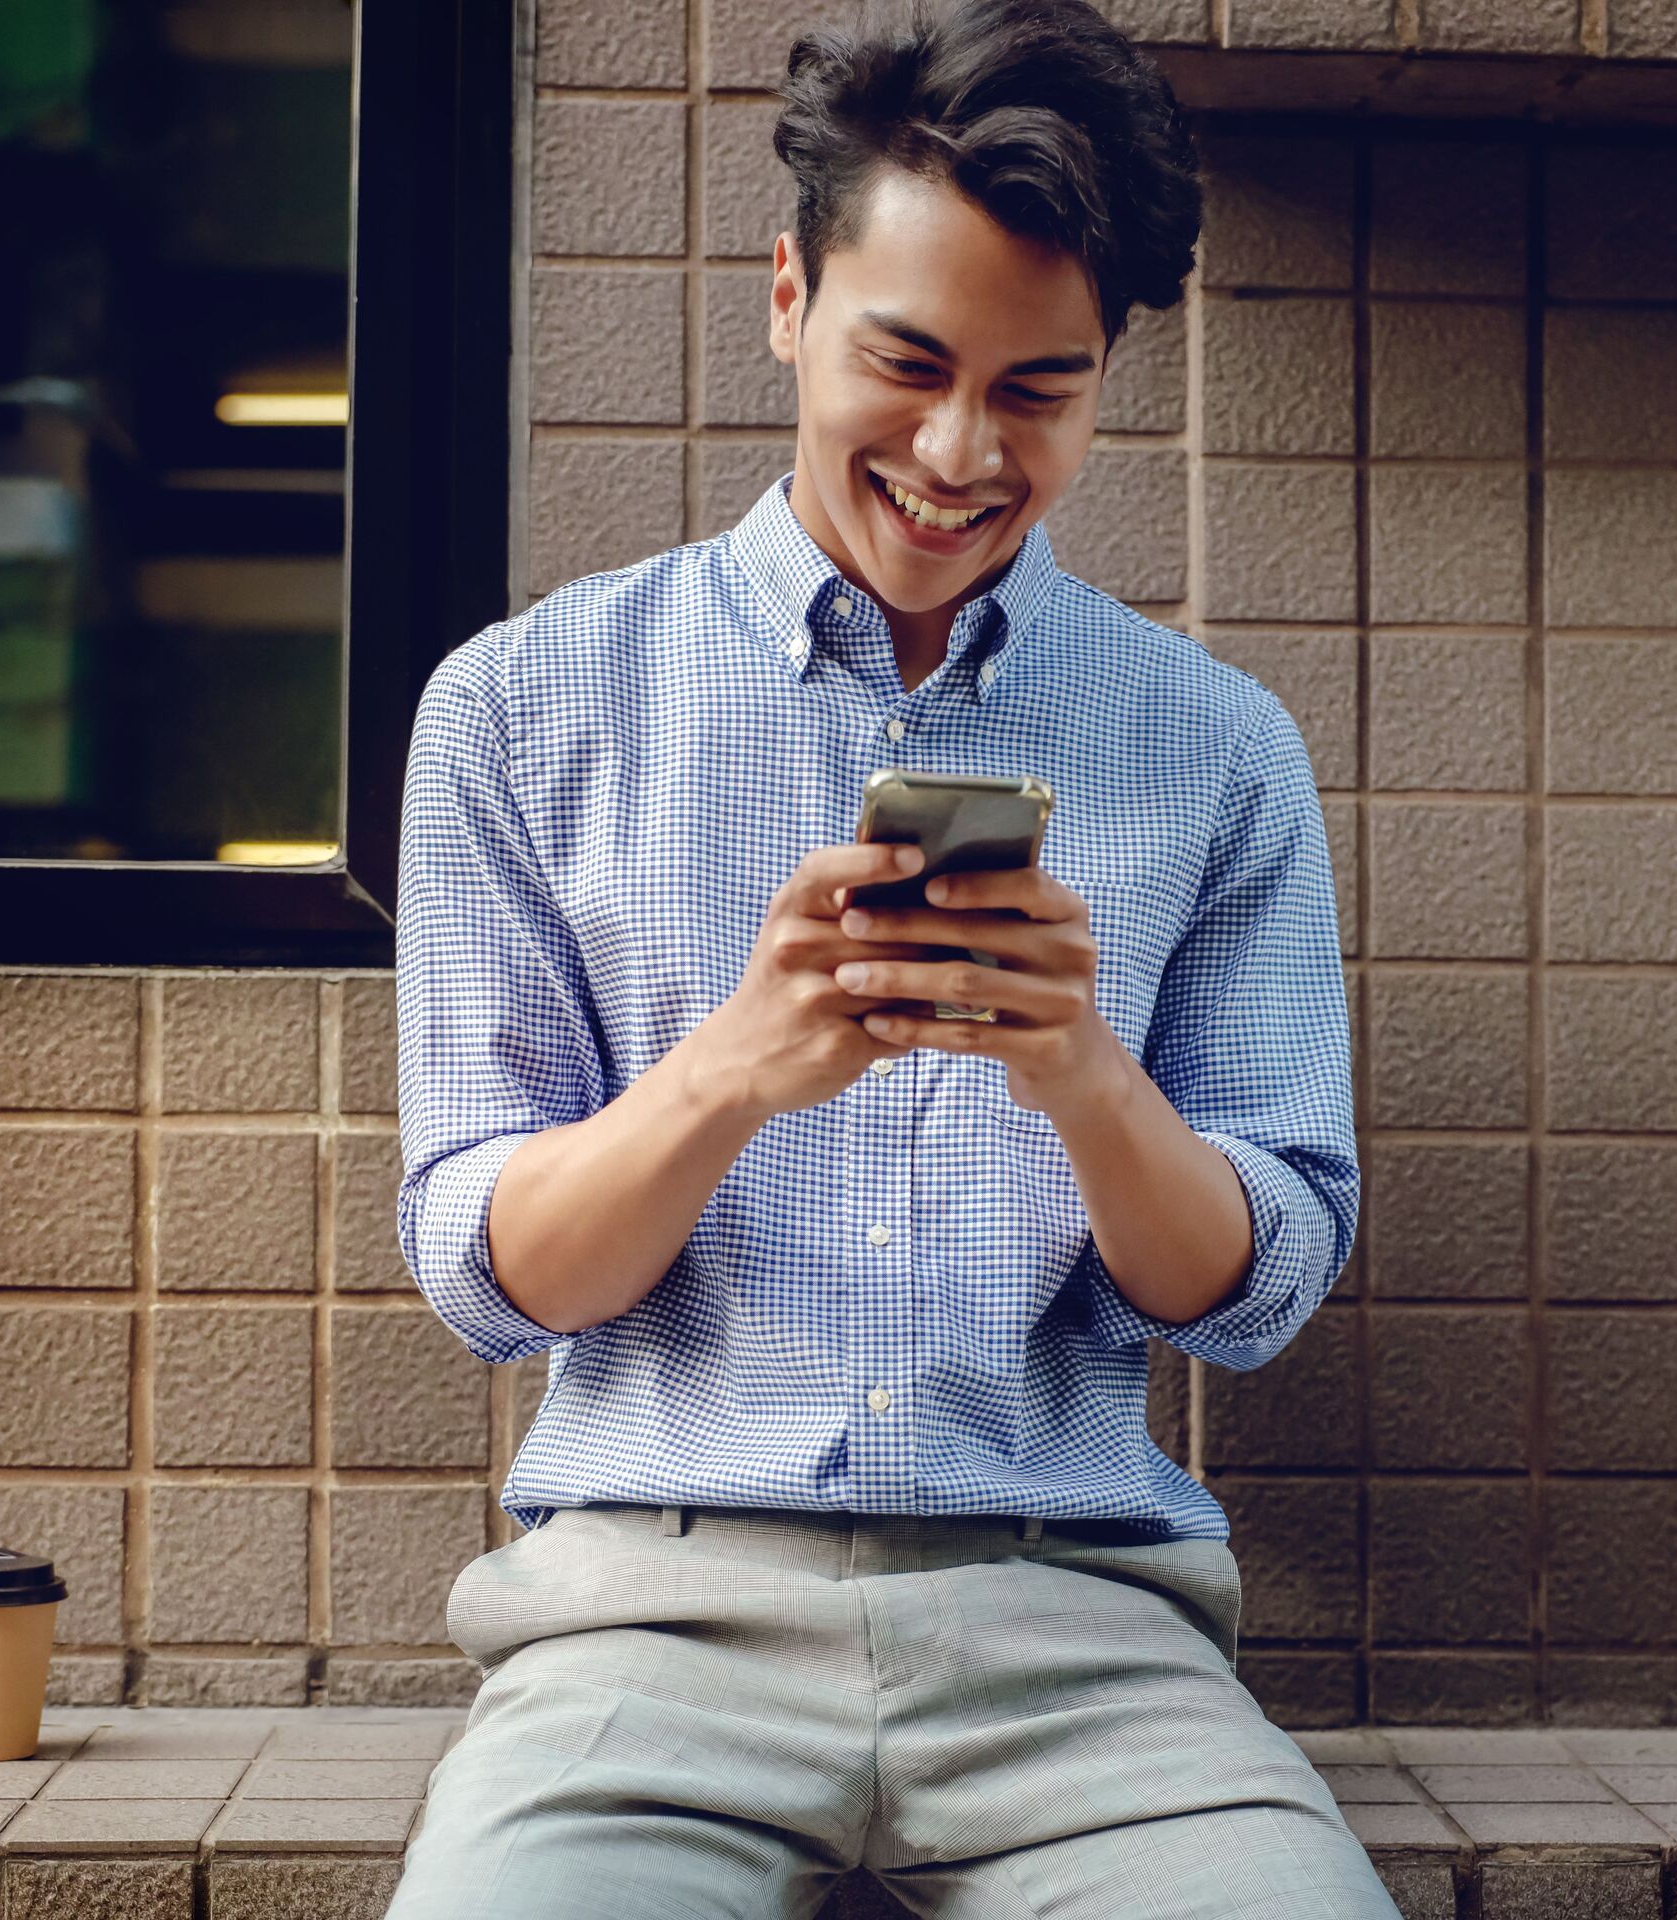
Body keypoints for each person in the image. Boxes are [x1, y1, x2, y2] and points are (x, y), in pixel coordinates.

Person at [384, 2, 1390, 1912]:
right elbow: (491, 1282)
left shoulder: (1213, 740)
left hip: (1082, 1635)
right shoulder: (521, 711)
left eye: (1040, 389)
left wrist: (1084, 1074)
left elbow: (1250, 1294)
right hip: (644, 1630)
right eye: (906, 362)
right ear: (789, 295)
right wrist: (727, 1071)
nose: (957, 449)